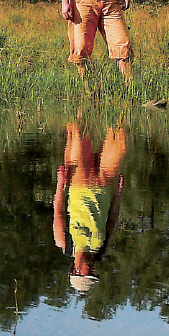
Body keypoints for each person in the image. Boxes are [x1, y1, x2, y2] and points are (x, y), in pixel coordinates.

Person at [53, 122, 127, 291]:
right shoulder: (101, 249)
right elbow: (112, 220)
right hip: (105, 183)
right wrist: (118, 195)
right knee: (120, 140)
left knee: (79, 132)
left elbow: (58, 212)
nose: (93, 269)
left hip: (79, 182)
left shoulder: (65, 244)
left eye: (89, 273)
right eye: (94, 273)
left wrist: (60, 183)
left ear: (76, 271)